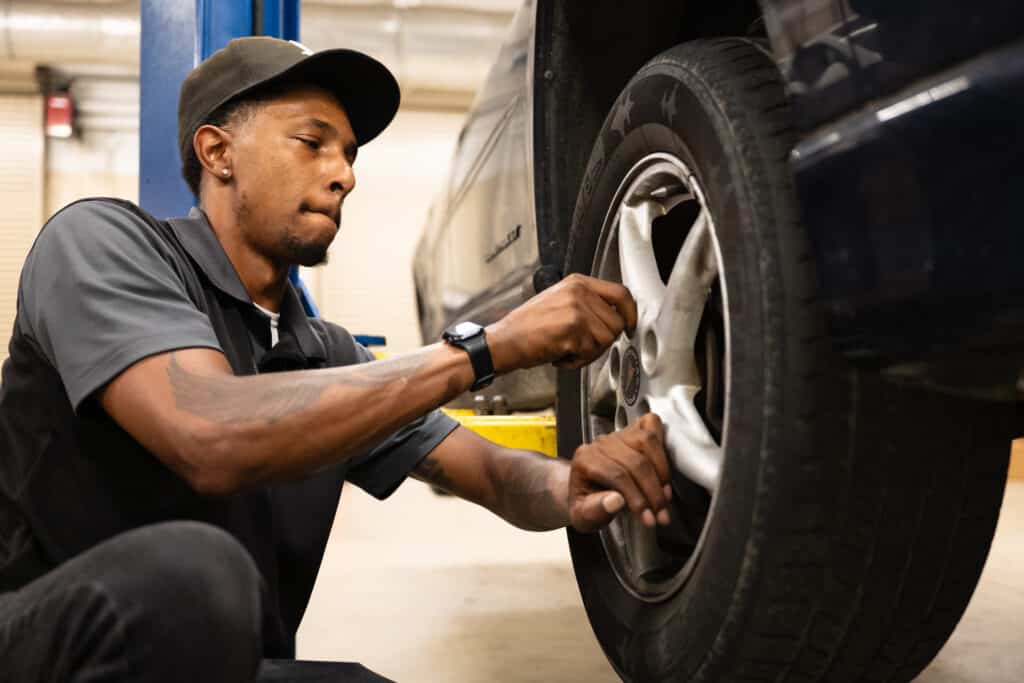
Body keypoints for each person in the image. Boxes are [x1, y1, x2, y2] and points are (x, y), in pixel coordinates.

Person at [0, 37, 672, 682]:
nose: (344, 174)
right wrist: (484, 346)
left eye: (349, 154)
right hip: (46, 645)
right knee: (198, 576)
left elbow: (494, 475)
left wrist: (570, 486)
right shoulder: (100, 245)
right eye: (312, 141)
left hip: (225, 662)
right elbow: (208, 434)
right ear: (218, 151)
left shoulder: (325, 357)